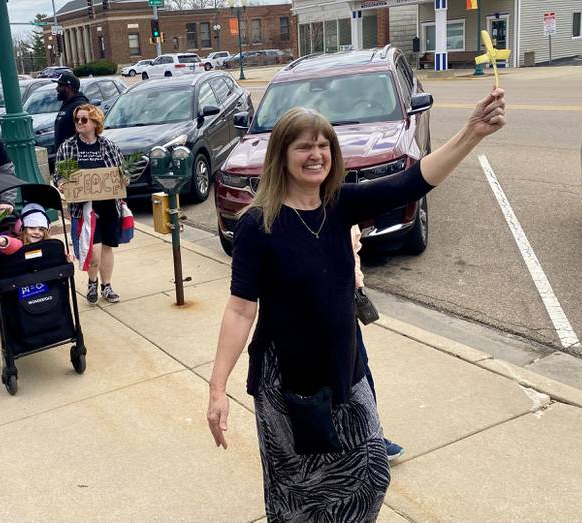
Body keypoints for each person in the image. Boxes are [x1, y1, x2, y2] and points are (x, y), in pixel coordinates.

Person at [207, 89, 506, 522]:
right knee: (298, 496)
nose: (316, 154)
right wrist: (218, 388)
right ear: (282, 155)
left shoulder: (340, 203)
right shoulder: (259, 224)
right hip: (287, 381)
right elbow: (240, 310)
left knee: (371, 475)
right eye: (304, 146)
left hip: (346, 370)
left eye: (324, 145)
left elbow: (414, 180)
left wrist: (471, 133)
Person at [53, 103, 127, 305]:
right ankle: (92, 282)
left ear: (95, 123)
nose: (79, 123)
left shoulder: (108, 146)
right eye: (76, 119)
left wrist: (125, 179)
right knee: (93, 249)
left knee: (107, 247)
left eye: (84, 119)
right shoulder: (68, 147)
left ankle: (107, 286)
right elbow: (59, 175)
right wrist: (61, 184)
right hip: (85, 208)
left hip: (109, 206)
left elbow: (122, 171)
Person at [351, 224, 404, 462]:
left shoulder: (340, 204)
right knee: (355, 376)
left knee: (360, 374)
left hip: (346, 306)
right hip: (319, 314)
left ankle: (370, 438)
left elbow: (354, 250)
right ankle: (368, 441)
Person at [52, 72, 89, 157]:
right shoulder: (67, 104)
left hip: (74, 158)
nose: (57, 89)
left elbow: (86, 134)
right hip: (63, 158)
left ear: (69, 88)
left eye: (60, 86)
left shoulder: (80, 107)